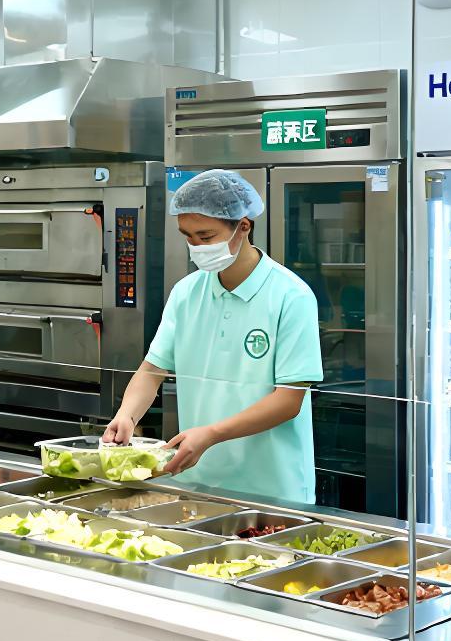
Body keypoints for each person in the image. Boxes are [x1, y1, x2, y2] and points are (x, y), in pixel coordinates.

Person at [103, 169, 324, 504]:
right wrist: (127, 415)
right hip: (197, 481)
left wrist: (212, 434)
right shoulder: (186, 293)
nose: (196, 247)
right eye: (188, 237)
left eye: (206, 236)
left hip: (271, 488)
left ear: (243, 226)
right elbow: (152, 370)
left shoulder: (291, 296)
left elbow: (288, 401)